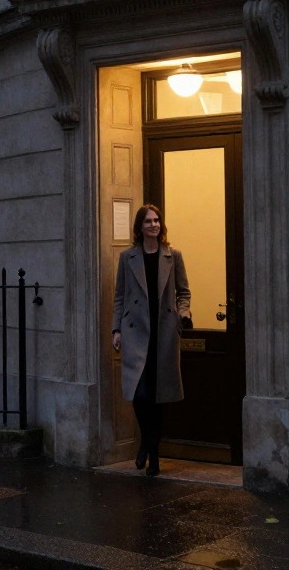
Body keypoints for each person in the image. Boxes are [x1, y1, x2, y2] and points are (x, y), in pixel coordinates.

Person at [112, 204, 192, 477]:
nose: (154, 225)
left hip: (164, 334)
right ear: (140, 227)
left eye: (157, 221)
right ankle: (147, 443)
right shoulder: (127, 258)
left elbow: (184, 292)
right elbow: (120, 296)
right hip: (136, 333)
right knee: (140, 393)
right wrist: (116, 330)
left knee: (158, 397)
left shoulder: (173, 256)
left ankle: (152, 453)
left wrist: (183, 314)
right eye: (148, 221)